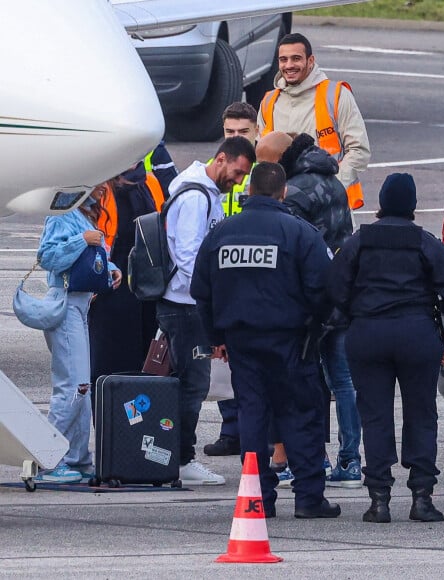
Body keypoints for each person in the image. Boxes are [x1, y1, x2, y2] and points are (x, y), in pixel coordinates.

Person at [191, 162, 341, 519]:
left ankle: (257, 498)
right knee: (300, 415)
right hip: (291, 341)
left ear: (250, 191)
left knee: (253, 417)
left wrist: (216, 338)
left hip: (241, 342)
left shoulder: (221, 234)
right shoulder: (299, 233)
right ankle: (308, 498)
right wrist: (316, 327)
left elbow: (202, 292)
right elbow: (323, 289)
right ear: (283, 192)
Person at [327, 173, 444, 523]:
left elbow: (334, 286)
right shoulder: (425, 243)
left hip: (368, 333)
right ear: (413, 206)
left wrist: (353, 316)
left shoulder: (360, 241)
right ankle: (422, 497)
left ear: (381, 204)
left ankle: (379, 500)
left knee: (374, 414)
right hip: (417, 334)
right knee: (421, 413)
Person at [256, 131, 361, 489]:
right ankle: (351, 460)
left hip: (310, 299)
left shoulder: (295, 190)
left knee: (306, 383)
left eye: (265, 162)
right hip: (342, 293)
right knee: (344, 382)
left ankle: (310, 455)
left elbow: (287, 246)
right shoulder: (332, 180)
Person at [158, 136, 256, 486]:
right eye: (238, 171)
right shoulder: (197, 197)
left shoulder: (203, 192)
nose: (240, 180)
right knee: (192, 384)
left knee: (187, 382)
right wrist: (209, 298)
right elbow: (188, 256)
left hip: (186, 303)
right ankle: (182, 458)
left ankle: (174, 455)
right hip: (186, 305)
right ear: (221, 159)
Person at [35, 185, 122, 483]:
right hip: (66, 304)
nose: (102, 188)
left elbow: (87, 260)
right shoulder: (63, 215)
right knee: (74, 386)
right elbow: (47, 256)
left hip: (81, 305)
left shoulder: (83, 215)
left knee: (81, 390)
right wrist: (81, 241)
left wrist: (109, 267)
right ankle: (48, 459)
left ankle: (76, 457)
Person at [258, 32, 370, 210]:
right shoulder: (269, 102)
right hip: (281, 208)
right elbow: (262, 156)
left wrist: (328, 188)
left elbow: (359, 150)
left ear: (311, 61)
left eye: (296, 58)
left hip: (329, 207)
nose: (289, 65)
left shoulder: (336, 95)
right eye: (283, 59)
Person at [203, 102, 259, 458]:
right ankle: (231, 428)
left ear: (256, 130)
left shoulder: (261, 170)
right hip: (228, 271)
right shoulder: (219, 172)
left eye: (243, 131)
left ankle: (249, 427)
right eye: (230, 132)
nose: (236, 137)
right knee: (223, 356)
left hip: (253, 271)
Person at [89, 164, 165, 394]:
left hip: (148, 288)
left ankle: (141, 426)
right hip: (112, 287)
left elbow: (164, 230)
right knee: (109, 365)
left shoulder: (150, 182)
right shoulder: (99, 184)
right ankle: (110, 422)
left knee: (146, 367)